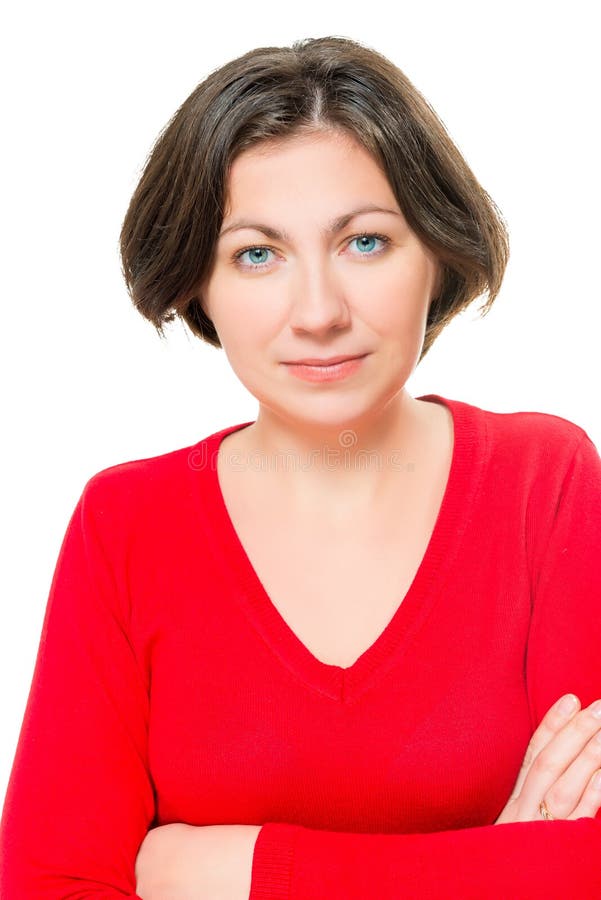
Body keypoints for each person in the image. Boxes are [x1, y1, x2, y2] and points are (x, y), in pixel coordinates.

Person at [1, 34, 600, 899]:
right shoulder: (126, 523)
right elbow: (53, 884)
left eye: (364, 243)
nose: (317, 312)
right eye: (257, 254)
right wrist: (495, 866)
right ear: (194, 284)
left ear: (435, 251)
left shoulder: (543, 483)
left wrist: (235, 869)